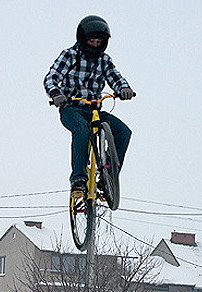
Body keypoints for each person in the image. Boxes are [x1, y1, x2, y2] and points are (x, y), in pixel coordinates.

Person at [43, 15, 135, 192]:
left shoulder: (104, 60)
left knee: (123, 131)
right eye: (91, 40)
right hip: (71, 108)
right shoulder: (70, 55)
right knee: (81, 128)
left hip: (94, 110)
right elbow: (51, 77)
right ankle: (79, 178)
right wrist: (56, 94)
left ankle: (108, 175)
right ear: (83, 39)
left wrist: (124, 89)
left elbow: (116, 78)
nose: (95, 44)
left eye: (98, 41)